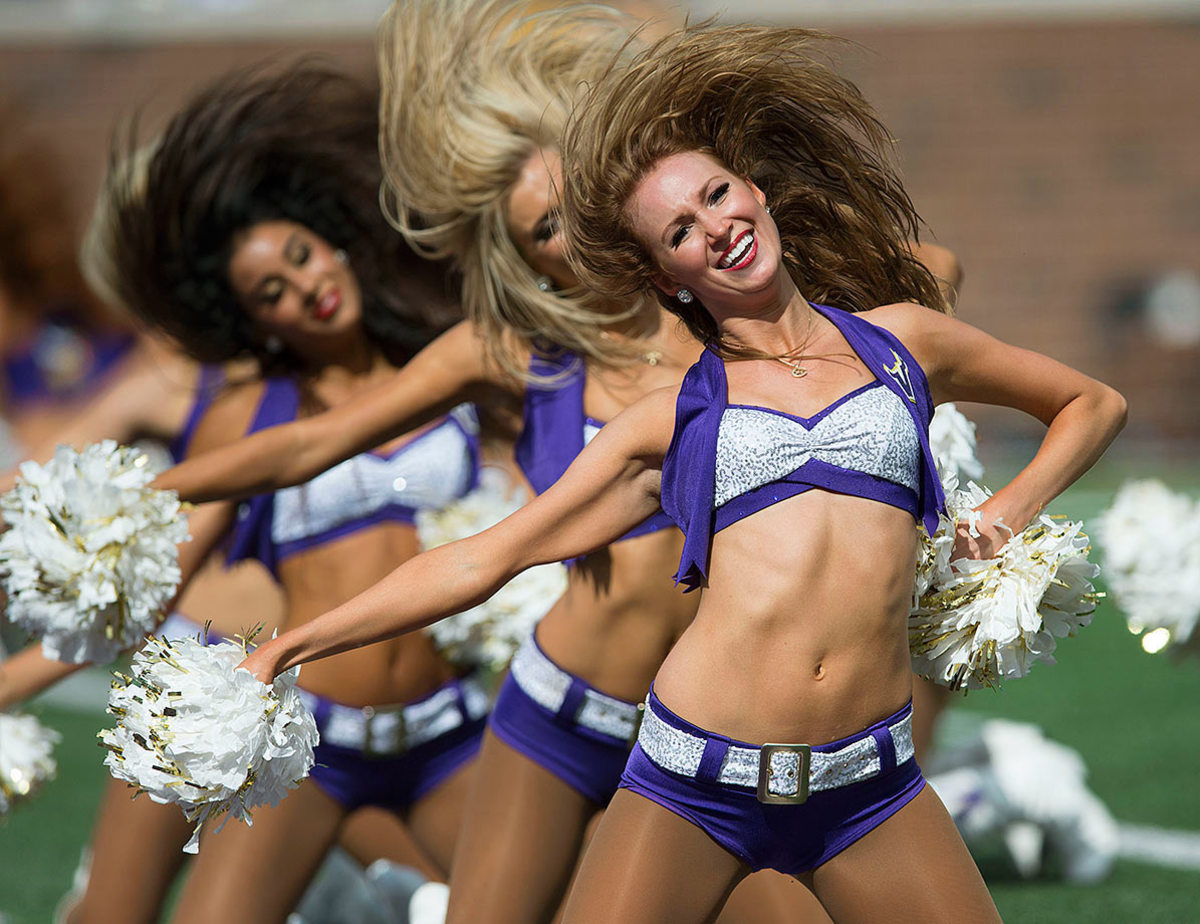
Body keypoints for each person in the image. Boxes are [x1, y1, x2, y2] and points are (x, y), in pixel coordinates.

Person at [228, 21, 1126, 923]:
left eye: (718, 194)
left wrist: (1007, 509)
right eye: (681, 232)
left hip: (871, 786)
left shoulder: (904, 345)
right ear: (666, 278)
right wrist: (289, 648)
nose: (718, 230)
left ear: (759, 191)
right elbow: (483, 560)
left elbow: (1092, 404)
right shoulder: (671, 422)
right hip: (694, 788)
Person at [153, 3, 832, 919]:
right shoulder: (517, 352)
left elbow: (922, 278)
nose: (572, 236)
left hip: (693, 723)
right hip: (555, 719)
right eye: (543, 230)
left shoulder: (721, 317)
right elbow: (314, 442)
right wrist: (150, 486)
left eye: (578, 204)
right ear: (526, 262)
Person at [105, 63, 486, 924]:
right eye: (271, 293)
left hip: (452, 729)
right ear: (257, 322)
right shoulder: (249, 416)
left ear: (338, 242)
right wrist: (13, 681)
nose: (305, 290)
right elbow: (151, 581)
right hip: (312, 741)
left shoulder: (447, 371)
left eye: (302, 257)